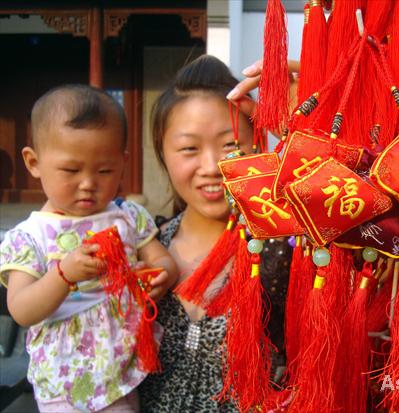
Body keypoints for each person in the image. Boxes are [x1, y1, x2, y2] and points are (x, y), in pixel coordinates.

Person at [0, 84, 178, 413]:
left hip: (120, 366)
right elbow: (22, 309)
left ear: (122, 163)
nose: (88, 183)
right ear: (34, 162)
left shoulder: (127, 217)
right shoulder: (29, 237)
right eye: (70, 170)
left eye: (104, 171)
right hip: (61, 376)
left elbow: (163, 262)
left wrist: (158, 277)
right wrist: (63, 275)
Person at [138, 55, 291, 413]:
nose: (212, 168)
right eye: (189, 148)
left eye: (229, 145)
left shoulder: (287, 252)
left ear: (258, 146)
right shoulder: (145, 248)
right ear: (163, 152)